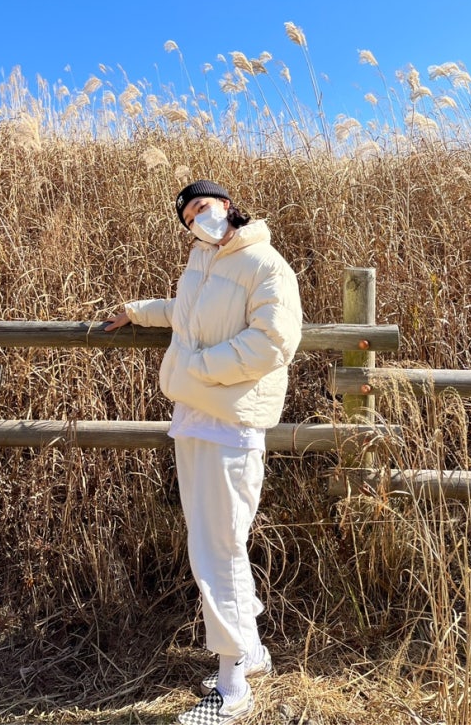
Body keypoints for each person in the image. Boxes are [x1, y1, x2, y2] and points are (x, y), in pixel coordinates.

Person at [104, 179, 303, 725]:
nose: (198, 218)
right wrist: (137, 311)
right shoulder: (203, 262)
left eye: (203, 206)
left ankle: (233, 687)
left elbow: (274, 341)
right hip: (194, 418)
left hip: (230, 424)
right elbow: (188, 311)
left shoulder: (266, 263)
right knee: (213, 543)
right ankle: (250, 651)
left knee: (219, 551)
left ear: (228, 206)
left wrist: (199, 369)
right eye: (189, 215)